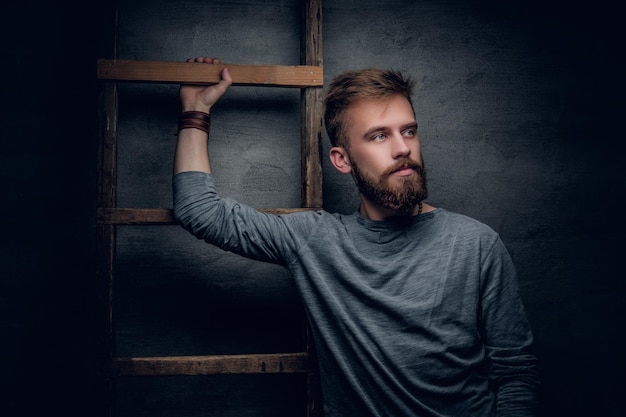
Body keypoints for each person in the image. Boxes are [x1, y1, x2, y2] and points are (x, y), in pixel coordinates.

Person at [172, 56, 540, 417]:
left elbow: (515, 373)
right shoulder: (317, 241)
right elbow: (201, 212)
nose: (403, 149)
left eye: (408, 131)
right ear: (342, 160)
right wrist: (195, 110)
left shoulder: (476, 243)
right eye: (379, 136)